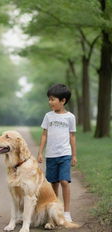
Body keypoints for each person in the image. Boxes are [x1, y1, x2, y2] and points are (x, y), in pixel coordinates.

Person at [37, 84, 77, 223]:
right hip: (51, 155)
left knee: (64, 181)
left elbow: (72, 136)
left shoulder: (70, 117)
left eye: (53, 99)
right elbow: (44, 135)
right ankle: (54, 211)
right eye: (49, 99)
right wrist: (40, 152)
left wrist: (74, 155)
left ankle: (66, 212)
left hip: (65, 154)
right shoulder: (48, 116)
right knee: (53, 183)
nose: (50, 102)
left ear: (63, 101)